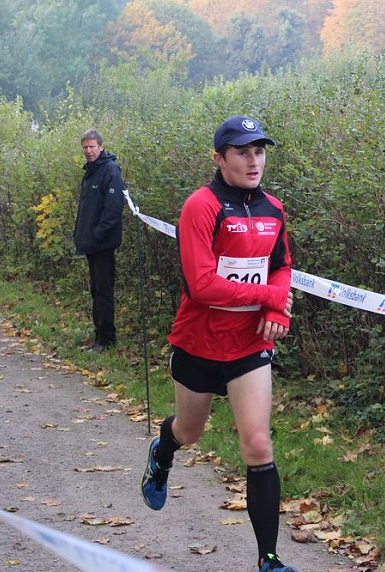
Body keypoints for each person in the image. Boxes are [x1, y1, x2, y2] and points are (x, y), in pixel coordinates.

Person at [140, 116, 297, 572]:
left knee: (258, 445)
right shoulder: (201, 206)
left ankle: (269, 560)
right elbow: (202, 284)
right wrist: (268, 297)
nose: (254, 161)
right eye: (242, 152)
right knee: (189, 433)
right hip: (199, 342)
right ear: (219, 158)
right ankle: (162, 452)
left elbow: (281, 266)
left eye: (259, 151)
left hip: (249, 345)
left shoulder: (273, 208)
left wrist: (275, 311)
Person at [73, 129, 125, 353]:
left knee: (103, 291)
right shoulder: (90, 171)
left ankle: (106, 340)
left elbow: (113, 210)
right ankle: (98, 336)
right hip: (91, 244)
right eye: (85, 147)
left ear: (101, 147)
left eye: (92, 146)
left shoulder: (110, 170)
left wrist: (97, 234)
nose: (88, 151)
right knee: (95, 290)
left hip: (103, 244)